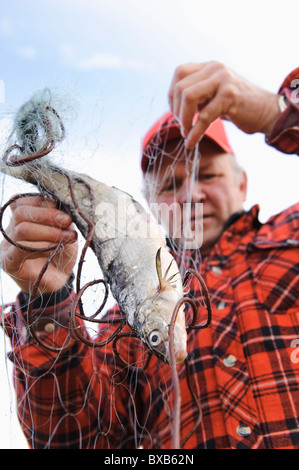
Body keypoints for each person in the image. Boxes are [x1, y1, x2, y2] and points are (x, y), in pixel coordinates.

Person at [0, 61, 299, 449]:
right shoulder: (120, 325)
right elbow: (76, 439)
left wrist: (276, 113)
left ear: (242, 183)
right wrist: (49, 296)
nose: (192, 195)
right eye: (171, 184)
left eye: (208, 175)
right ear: (147, 206)